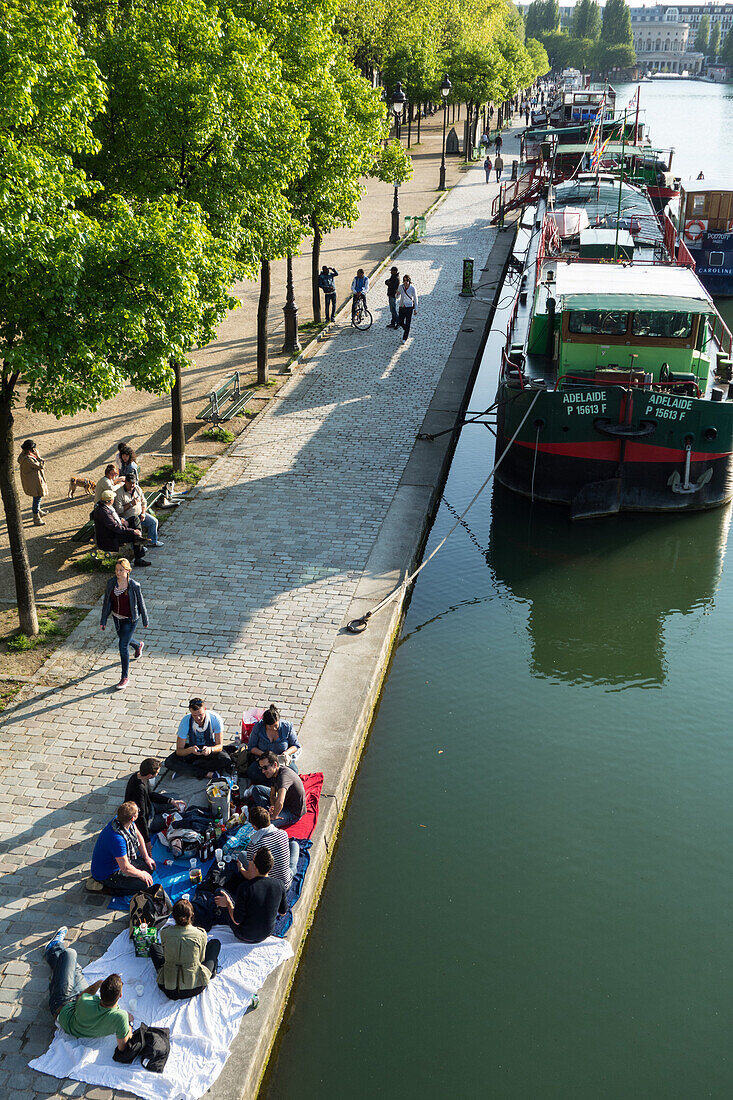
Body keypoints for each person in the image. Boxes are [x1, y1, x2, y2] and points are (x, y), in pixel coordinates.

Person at [44, 927, 131, 1050]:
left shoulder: (86, 1001)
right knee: (75, 968)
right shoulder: (120, 1017)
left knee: (70, 953)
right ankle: (59, 964)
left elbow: (82, 996)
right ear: (120, 996)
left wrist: (97, 983)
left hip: (61, 1004)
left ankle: (53, 947)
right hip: (75, 1008)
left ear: (100, 992)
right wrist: (129, 1024)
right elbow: (122, 1047)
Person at [148, 899, 220, 1000]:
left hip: (168, 987)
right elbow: (201, 958)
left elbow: (165, 953)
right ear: (192, 915)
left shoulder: (165, 932)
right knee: (215, 944)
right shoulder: (200, 933)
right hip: (196, 986)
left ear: (173, 916)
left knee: (154, 947)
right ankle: (211, 972)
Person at [214, 847, 288, 943]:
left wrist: (228, 903)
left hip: (244, 934)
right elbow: (283, 912)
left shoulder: (245, 888)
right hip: (267, 933)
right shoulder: (279, 885)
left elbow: (237, 920)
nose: (250, 862)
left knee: (219, 892)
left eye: (252, 861)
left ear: (255, 866)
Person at [100, 557, 148, 690]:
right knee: (124, 639)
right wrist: (103, 620)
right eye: (116, 570)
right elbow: (107, 603)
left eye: (121, 570)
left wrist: (145, 620)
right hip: (117, 618)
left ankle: (124, 677)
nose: (118, 572)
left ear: (127, 571)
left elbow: (141, 604)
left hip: (130, 619)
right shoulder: (111, 583)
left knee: (122, 645)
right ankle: (138, 645)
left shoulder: (134, 585)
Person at [88, 801, 155, 894]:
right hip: (108, 874)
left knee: (150, 867)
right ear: (133, 818)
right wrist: (141, 874)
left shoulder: (121, 821)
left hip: (118, 864)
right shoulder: (117, 839)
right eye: (137, 811)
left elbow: (138, 836)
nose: (139, 812)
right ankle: (104, 887)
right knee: (144, 884)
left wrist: (146, 857)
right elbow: (125, 868)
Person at [165, 697, 234, 777]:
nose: (198, 718)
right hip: (191, 748)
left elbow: (219, 746)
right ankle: (207, 774)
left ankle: (186, 770)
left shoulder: (215, 719)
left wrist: (210, 749)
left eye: (200, 714)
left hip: (209, 746)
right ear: (190, 712)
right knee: (169, 762)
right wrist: (190, 750)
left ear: (205, 709)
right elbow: (179, 751)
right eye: (194, 715)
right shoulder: (185, 721)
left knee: (226, 760)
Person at [125, 758, 184, 850]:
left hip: (150, 806)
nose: (158, 774)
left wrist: (170, 801)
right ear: (150, 775)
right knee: (174, 817)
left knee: (175, 801)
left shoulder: (140, 776)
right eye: (157, 773)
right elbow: (141, 816)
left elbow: (151, 795)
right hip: (147, 819)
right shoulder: (139, 789)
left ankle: (169, 806)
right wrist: (147, 841)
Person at [243, 805, 299, 889]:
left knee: (242, 855)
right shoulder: (283, 833)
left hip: (269, 887)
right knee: (294, 844)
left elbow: (251, 876)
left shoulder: (253, 844)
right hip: (285, 883)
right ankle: (292, 870)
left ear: (254, 826)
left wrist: (240, 868)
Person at [248, 751, 306, 829]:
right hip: (284, 801)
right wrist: (272, 806)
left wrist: (274, 816)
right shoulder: (274, 773)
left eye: (265, 768)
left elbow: (280, 801)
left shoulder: (284, 777)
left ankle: (266, 813)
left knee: (263, 824)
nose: (263, 771)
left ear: (275, 764)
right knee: (256, 789)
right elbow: (272, 794)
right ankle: (266, 811)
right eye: (261, 768)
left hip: (292, 812)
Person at [245, 704, 301, 785]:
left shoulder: (287, 727)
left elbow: (295, 745)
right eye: (270, 727)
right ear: (265, 724)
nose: (274, 728)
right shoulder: (258, 727)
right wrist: (265, 755)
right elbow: (251, 747)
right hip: (264, 761)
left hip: (281, 761)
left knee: (294, 771)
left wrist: (286, 753)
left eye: (276, 726)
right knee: (252, 773)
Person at [93, 490, 149, 567]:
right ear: (110, 500)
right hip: (111, 537)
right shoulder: (103, 512)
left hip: (114, 530)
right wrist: (133, 531)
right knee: (134, 536)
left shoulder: (104, 506)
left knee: (135, 519)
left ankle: (139, 536)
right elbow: (116, 528)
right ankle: (138, 559)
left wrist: (121, 519)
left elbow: (112, 519)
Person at [115, 472, 162, 548]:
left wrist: (143, 513)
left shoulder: (137, 488)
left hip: (139, 514)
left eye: (134, 483)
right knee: (135, 530)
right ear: (125, 482)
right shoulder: (119, 493)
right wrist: (130, 504)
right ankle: (139, 547)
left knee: (154, 522)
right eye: (130, 483)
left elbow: (144, 502)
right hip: (128, 518)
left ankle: (153, 541)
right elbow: (119, 510)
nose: (132, 485)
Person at [17, 439, 48, 526]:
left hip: (31, 481)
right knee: (37, 498)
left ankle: (39, 511)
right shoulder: (28, 460)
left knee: (37, 498)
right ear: (30, 450)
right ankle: (36, 517)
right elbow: (41, 466)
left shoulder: (22, 456)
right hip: (34, 483)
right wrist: (38, 457)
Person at [396, 274, 418, 344]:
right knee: (400, 322)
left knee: (408, 323)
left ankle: (404, 338)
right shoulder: (401, 287)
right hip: (402, 306)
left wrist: (415, 309)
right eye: (404, 281)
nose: (405, 282)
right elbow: (397, 296)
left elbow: (415, 299)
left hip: (409, 307)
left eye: (407, 281)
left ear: (409, 281)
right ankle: (407, 330)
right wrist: (397, 294)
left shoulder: (412, 288)